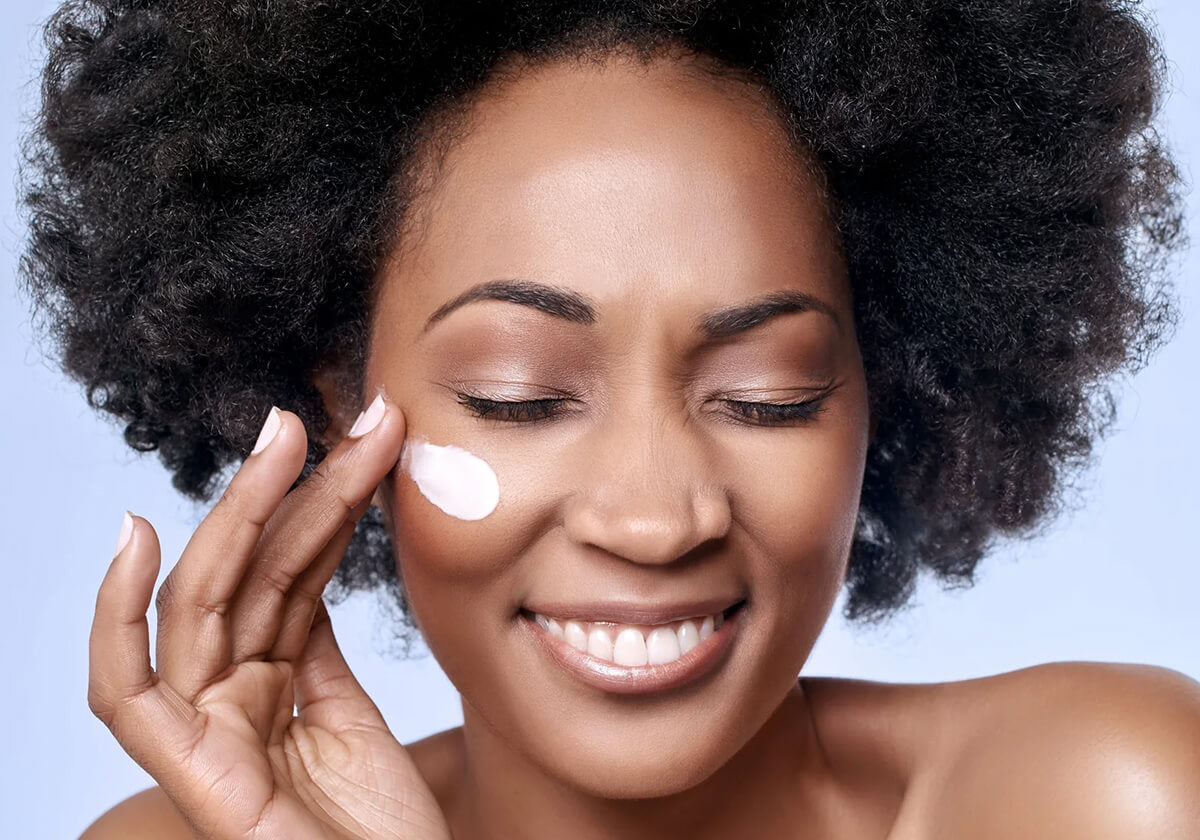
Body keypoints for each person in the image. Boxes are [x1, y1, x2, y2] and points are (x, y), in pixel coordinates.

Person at [19, 1, 1199, 837]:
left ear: (887, 388)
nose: (653, 520)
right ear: (339, 408)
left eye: (766, 395)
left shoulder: (1103, 799)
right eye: (520, 396)